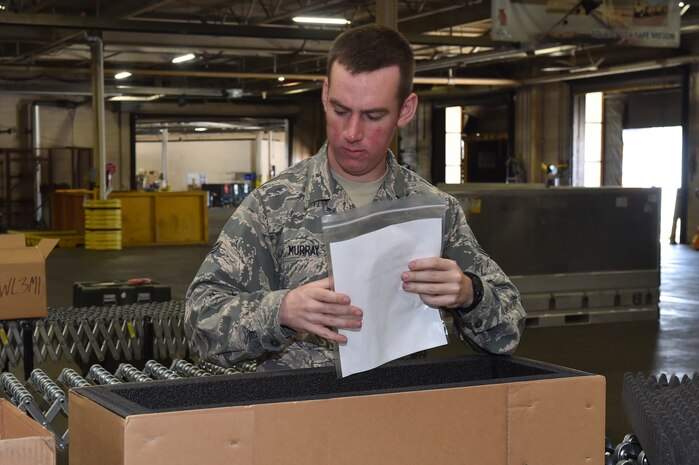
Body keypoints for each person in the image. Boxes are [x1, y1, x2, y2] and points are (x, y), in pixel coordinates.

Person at [185, 24, 526, 371]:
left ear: (405, 110)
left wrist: (471, 294)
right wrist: (282, 310)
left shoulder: (433, 211)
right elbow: (200, 322)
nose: (351, 133)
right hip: (294, 416)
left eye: (373, 116)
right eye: (340, 110)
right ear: (324, 95)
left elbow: (508, 334)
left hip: (397, 411)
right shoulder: (272, 206)